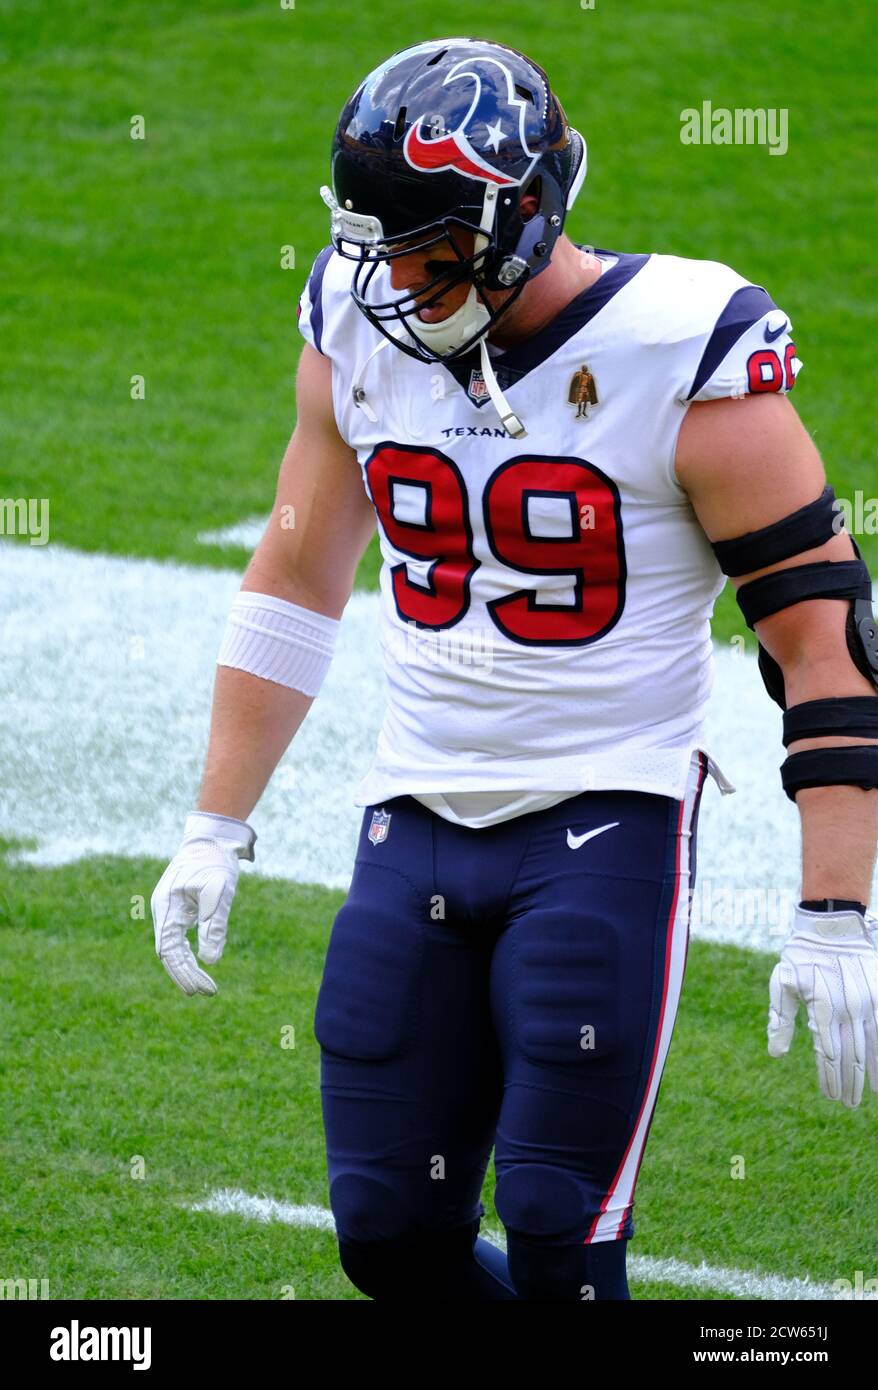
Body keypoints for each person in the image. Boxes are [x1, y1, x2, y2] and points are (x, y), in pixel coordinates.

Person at [151, 37, 878, 1300]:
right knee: (385, 1237)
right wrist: (217, 820)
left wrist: (832, 910)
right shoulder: (352, 315)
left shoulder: (680, 346)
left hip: (607, 815)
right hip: (412, 809)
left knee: (556, 1232)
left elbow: (823, 637)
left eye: (430, 251)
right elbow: (294, 575)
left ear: (520, 222)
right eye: (379, 245)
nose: (393, 283)